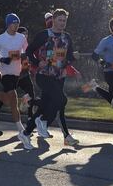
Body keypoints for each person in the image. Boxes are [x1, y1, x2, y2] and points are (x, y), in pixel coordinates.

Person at [21, 9, 78, 149]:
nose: (62, 23)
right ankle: (43, 120)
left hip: (58, 76)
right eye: (60, 20)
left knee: (44, 106)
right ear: (53, 19)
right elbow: (28, 51)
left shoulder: (67, 37)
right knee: (61, 100)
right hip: (43, 75)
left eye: (64, 20)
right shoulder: (43, 35)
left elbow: (69, 56)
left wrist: (70, 61)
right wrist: (36, 62)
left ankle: (26, 132)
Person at [0, 14, 29, 140]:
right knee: (12, 99)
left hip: (17, 73)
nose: (16, 26)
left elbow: (26, 51)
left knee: (12, 101)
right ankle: (21, 129)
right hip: (5, 72)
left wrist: (24, 57)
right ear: (8, 24)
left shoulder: (21, 37)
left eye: (18, 23)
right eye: (14, 23)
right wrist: (3, 59)